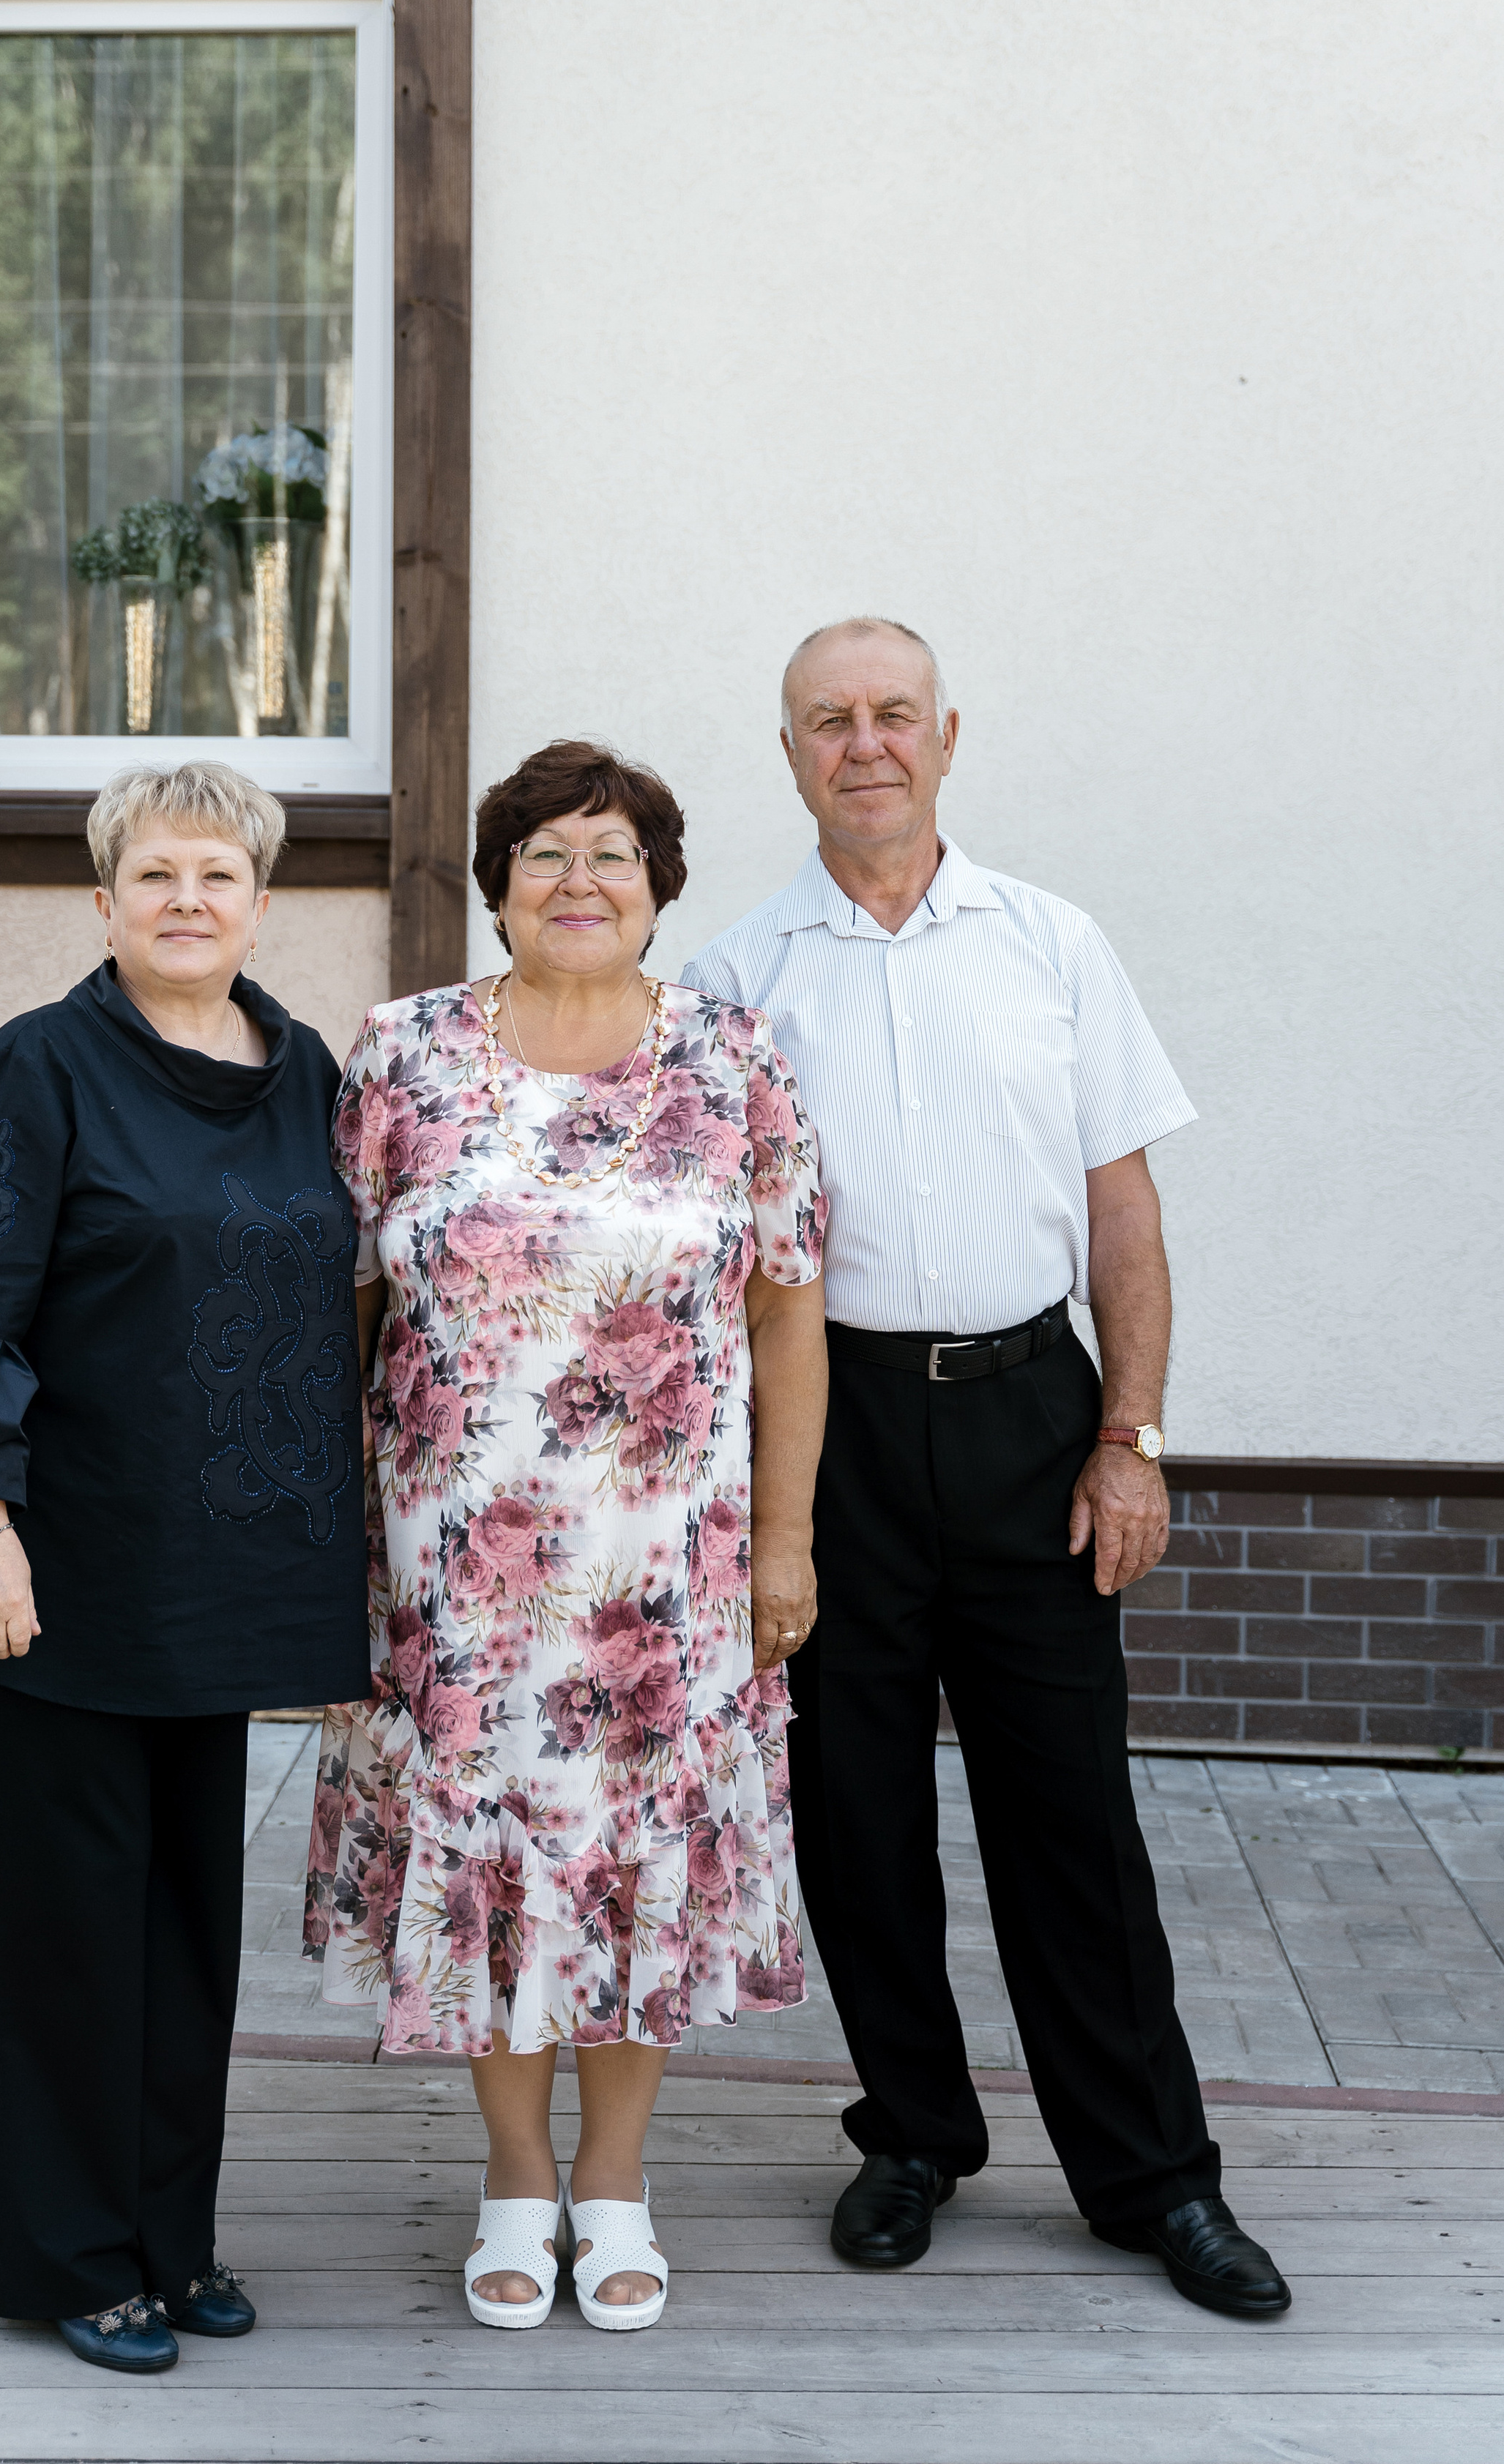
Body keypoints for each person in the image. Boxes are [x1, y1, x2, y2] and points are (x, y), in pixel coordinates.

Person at [682, 619, 1292, 2323]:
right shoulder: (735, 981)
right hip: (829, 1431)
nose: (861, 744)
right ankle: (912, 2137)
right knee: (853, 1814)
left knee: (1069, 1824)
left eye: (891, 715)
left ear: (946, 736)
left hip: (1035, 1417)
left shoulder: (1051, 944)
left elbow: (1122, 1221)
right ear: (787, 751)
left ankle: (1151, 2180)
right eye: (826, 721)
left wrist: (1131, 1437)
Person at [0, 758, 371, 2375]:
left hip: (217, 1587)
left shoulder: (300, 1069)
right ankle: (72, 2258)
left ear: (260, 902)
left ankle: (170, 2237)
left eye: (217, 873)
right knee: (65, 1932)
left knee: (185, 1931)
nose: (186, 899)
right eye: (154, 874)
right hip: (55, 1580)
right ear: (106, 900)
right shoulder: (38, 1065)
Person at [305, 740, 828, 2332]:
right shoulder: (400, 1057)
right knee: (497, 1868)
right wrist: (323, 1545)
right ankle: (515, 2179)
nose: (579, 883)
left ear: (659, 885)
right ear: (498, 884)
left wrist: (790, 1546)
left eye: (611, 855)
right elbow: (331, 1303)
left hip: (669, 1569)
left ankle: (614, 2179)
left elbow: (788, 1316)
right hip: (455, 1573)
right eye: (544, 855)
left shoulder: (737, 1061)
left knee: (633, 1868)